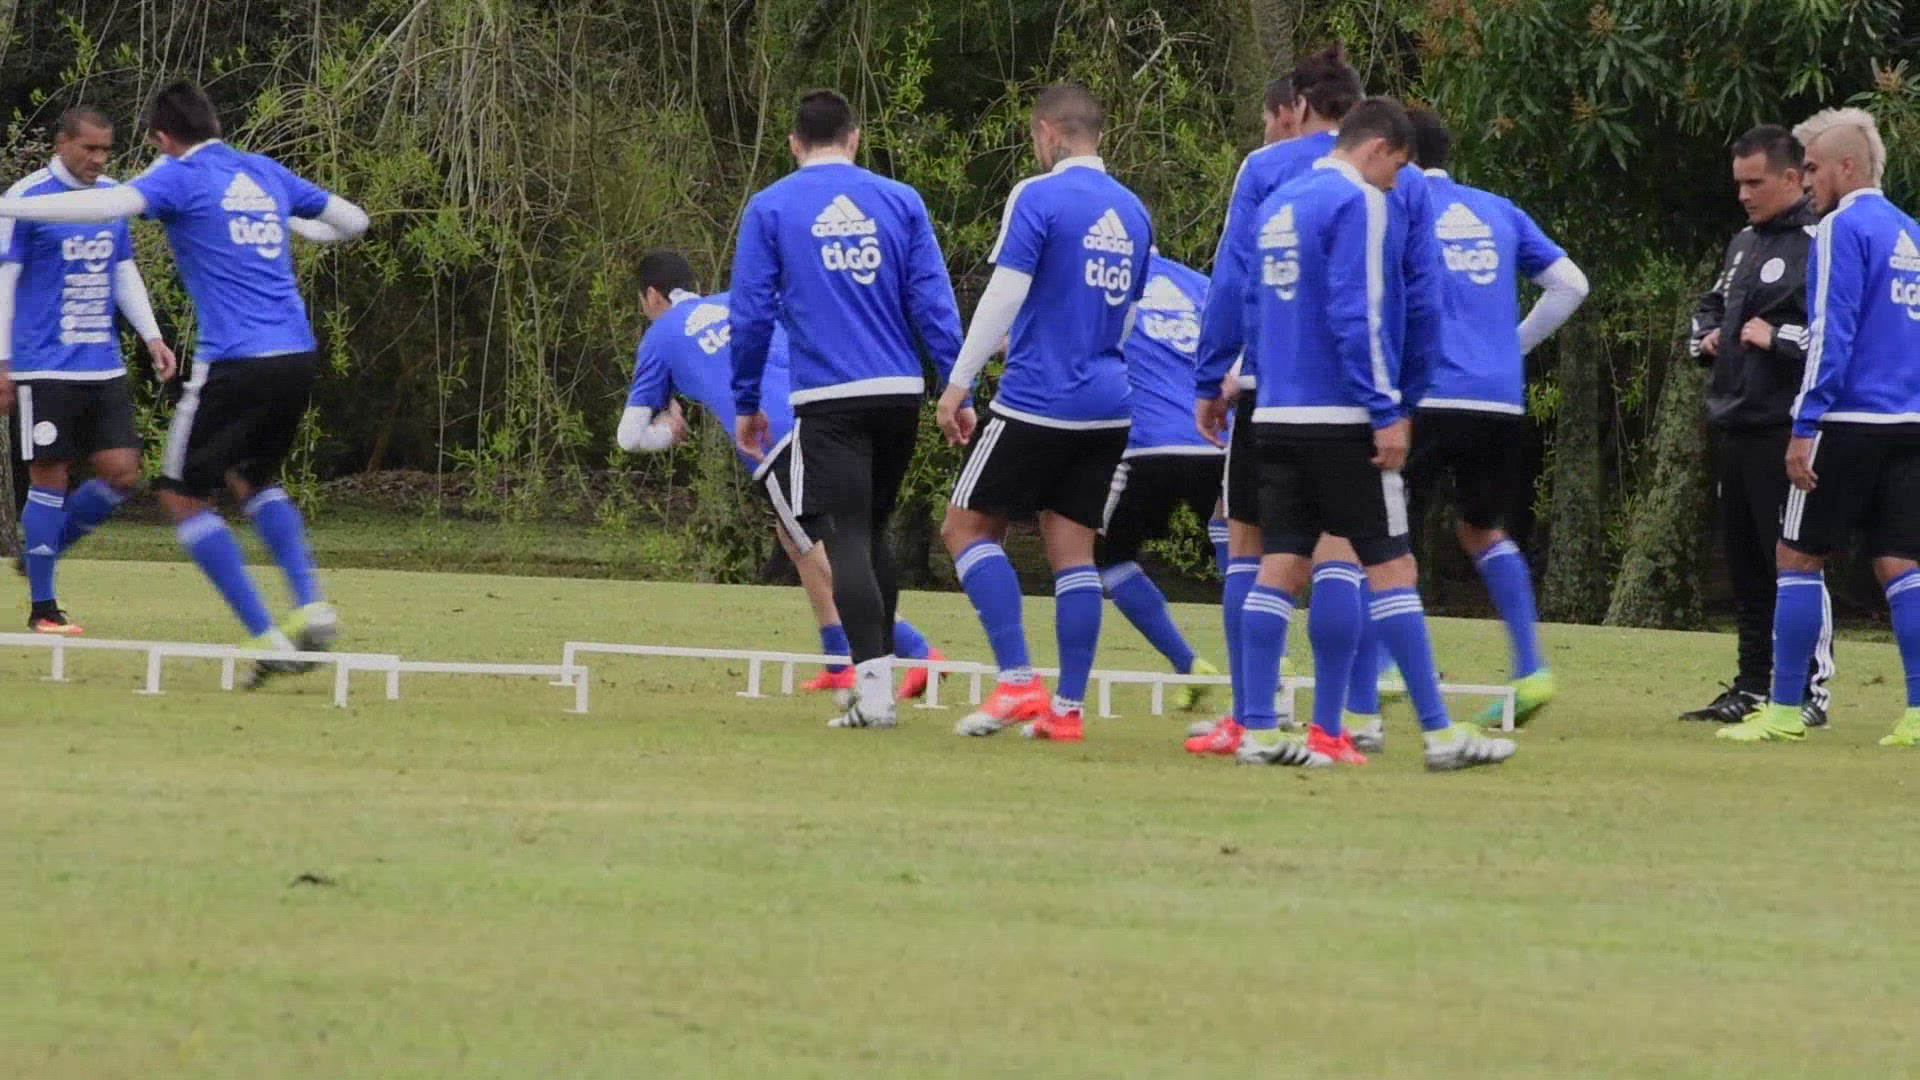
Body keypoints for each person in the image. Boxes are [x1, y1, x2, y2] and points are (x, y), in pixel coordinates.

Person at [0, 82, 369, 687]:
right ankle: (311, 605)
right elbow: (355, 221)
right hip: (297, 354)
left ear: (162, 138)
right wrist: (293, 225)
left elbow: (103, 206)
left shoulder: (178, 176)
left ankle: (267, 635)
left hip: (235, 360)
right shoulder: (263, 171)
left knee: (180, 496)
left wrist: (7, 209)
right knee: (255, 480)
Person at [1218, 96, 1515, 770]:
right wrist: (1387, 410)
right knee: (1393, 566)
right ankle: (1440, 736)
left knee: (1280, 564)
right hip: (1342, 417)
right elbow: (1362, 312)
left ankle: (1258, 729)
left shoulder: (1279, 203)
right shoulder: (1360, 202)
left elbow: (1253, 304)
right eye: (1397, 168)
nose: (1397, 182)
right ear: (1378, 148)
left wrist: (1253, 379)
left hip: (1276, 414)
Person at [1191, 51, 1442, 761]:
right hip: (1360, 397)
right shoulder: (1400, 183)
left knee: (1255, 550)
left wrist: (1212, 375)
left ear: (1297, 105)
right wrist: (1405, 397)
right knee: (1350, 555)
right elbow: (1420, 294)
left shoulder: (1267, 172)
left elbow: (1234, 280)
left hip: (1272, 392)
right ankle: (1346, 719)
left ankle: (1253, 716)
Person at [1349, 109, 1589, 752]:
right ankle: (1530, 667)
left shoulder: (1392, 202)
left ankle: (1384, 668)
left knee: (1383, 533)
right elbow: (1571, 284)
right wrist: (1511, 348)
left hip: (1425, 393)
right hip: (1497, 400)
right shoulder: (1498, 209)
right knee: (1482, 528)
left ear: (1398, 153)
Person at [730, 89, 964, 731]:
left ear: (794, 143)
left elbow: (750, 315)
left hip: (829, 399)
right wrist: (958, 385)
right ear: (855, 138)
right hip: (899, 393)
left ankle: (874, 694)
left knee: (849, 537)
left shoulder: (771, 206)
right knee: (875, 530)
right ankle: (878, 683)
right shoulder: (901, 200)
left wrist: (747, 400)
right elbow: (933, 303)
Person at [618, 249, 944, 699]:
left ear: (653, 296)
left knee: (820, 548)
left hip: (775, 440)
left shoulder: (660, 336)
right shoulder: (737, 301)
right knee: (794, 538)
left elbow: (628, 436)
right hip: (826, 417)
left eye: (642, 303)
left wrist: (666, 432)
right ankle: (838, 662)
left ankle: (916, 649)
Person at [938, 83, 1152, 744]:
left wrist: (958, 382)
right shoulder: (1134, 212)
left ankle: (1016, 680)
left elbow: (1006, 291)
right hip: (1108, 403)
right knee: (1073, 553)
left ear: (1048, 132)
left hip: (1039, 399)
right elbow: (1126, 315)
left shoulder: (1038, 195)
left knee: (965, 529)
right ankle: (1067, 709)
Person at [1719, 109, 1920, 747]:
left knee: (1796, 556)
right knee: (1901, 564)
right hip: (1910, 421)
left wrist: (1805, 424)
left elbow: (1831, 334)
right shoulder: (1911, 232)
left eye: (1811, 168)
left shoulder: (1840, 227)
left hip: (1849, 419)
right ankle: (1918, 714)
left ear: (1845, 167)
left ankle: (1785, 710)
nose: (1805, 181)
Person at [0, 107, 177, 633]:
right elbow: (5, 282)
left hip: (102, 364)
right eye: (89, 149)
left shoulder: (111, 198)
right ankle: (43, 608)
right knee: (49, 477)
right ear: (62, 144)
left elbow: (122, 269)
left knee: (122, 473)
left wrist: (151, 335)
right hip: (43, 364)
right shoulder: (27, 199)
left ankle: (44, 549)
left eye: (106, 150)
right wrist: (3, 361)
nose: (99, 159)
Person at [1681, 124, 1834, 728]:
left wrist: (1778, 338)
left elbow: (1833, 333)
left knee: (1793, 560)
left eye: (1755, 182)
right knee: (1745, 565)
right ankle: (1751, 685)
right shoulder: (1743, 243)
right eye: (1738, 184)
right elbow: (1712, 304)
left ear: (1792, 178)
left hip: (1786, 427)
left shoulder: (1821, 241)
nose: (1744, 194)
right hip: (1734, 420)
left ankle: (1811, 689)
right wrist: (1706, 338)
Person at [1096, 249, 1223, 711]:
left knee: (1103, 554)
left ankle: (1188, 663)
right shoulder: (1200, 285)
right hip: (1217, 440)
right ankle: (1273, 669)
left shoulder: (1105, 282)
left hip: (1147, 445)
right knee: (1250, 555)